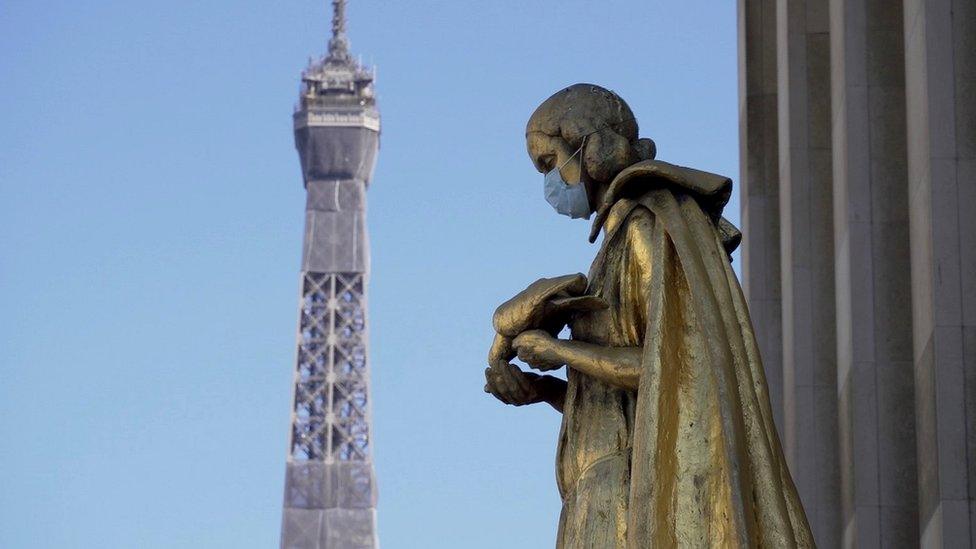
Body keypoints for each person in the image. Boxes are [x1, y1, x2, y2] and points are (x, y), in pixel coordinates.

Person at [485, 84, 813, 548]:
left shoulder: (646, 228)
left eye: (548, 162)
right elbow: (630, 405)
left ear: (586, 146)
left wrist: (559, 350)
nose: (548, 182)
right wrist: (543, 389)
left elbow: (675, 369)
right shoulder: (612, 248)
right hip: (595, 493)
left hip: (629, 490)